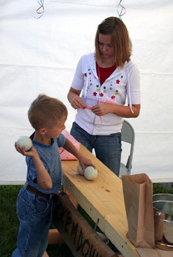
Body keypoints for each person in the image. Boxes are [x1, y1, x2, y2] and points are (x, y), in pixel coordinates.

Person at [12, 94, 94, 257]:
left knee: (41, 241)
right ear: (44, 130)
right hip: (34, 203)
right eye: (61, 125)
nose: (64, 127)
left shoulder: (51, 138)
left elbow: (65, 141)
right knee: (28, 247)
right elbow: (46, 184)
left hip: (44, 202)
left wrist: (80, 157)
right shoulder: (36, 153)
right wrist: (35, 157)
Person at [67, 17, 141, 176]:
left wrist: (111, 108)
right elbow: (72, 92)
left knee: (109, 183)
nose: (104, 49)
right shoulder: (85, 61)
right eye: (100, 44)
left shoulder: (130, 69)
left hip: (110, 136)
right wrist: (73, 98)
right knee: (73, 178)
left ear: (121, 45)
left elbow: (135, 110)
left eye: (109, 45)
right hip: (81, 129)